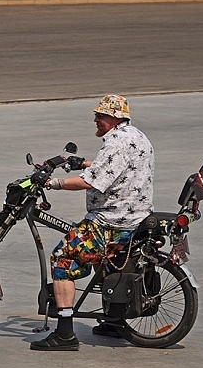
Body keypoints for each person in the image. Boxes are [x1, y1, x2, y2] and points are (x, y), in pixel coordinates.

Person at [30, 94, 154, 351]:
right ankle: (114, 321)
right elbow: (116, 169)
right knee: (110, 262)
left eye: (101, 115)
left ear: (116, 117)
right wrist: (84, 163)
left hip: (110, 221)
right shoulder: (137, 137)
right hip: (134, 218)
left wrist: (52, 183)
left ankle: (64, 333)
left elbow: (91, 182)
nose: (95, 119)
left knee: (62, 257)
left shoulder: (116, 143)